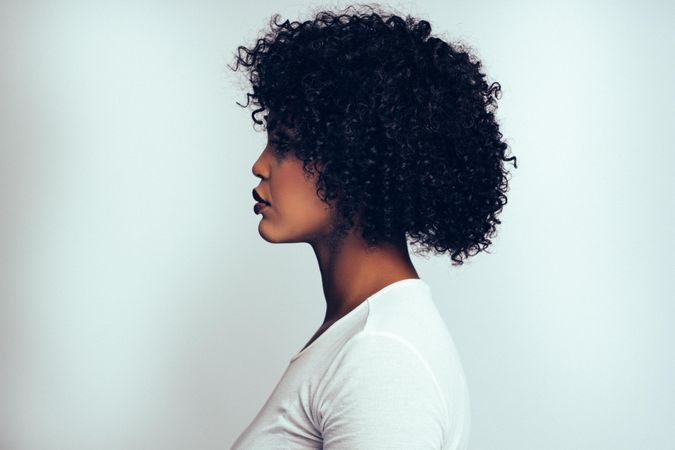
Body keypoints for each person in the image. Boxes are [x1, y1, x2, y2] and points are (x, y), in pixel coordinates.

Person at [228, 4, 517, 449]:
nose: (259, 165)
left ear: (356, 162)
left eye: (284, 146)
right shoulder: (364, 335)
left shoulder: (381, 356)